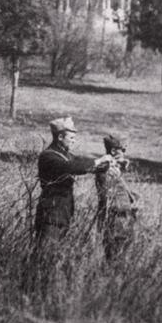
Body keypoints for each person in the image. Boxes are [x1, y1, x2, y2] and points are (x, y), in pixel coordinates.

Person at [30, 117, 110, 292]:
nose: (74, 141)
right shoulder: (49, 156)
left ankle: (42, 290)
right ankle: (33, 290)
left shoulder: (64, 155)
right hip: (51, 213)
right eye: (71, 138)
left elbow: (81, 164)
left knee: (51, 256)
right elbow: (73, 167)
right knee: (44, 256)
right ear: (59, 137)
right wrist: (97, 161)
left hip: (62, 214)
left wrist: (107, 165)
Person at [94, 133, 140, 259]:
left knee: (119, 257)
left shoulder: (113, 167)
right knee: (115, 257)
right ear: (114, 150)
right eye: (123, 150)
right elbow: (108, 196)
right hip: (116, 220)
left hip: (121, 219)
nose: (125, 153)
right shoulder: (107, 168)